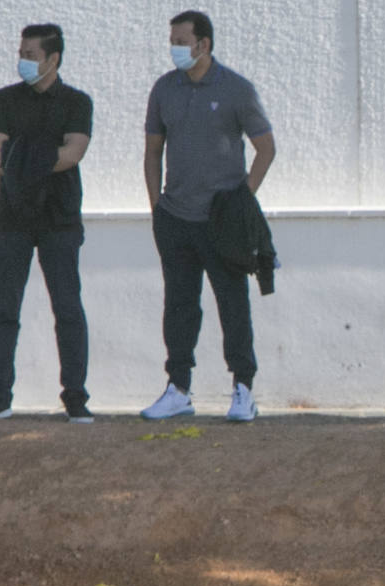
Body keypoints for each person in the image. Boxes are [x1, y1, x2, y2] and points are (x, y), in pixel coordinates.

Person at [141, 9, 276, 423]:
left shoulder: (236, 89)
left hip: (222, 224)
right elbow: (152, 151)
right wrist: (156, 206)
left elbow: (265, 148)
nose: (175, 49)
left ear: (204, 44)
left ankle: (243, 390)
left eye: (182, 41)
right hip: (175, 218)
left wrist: (240, 201)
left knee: (232, 304)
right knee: (179, 306)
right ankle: (178, 388)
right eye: (173, 41)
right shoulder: (164, 89)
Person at [0, 23, 93, 423]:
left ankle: (76, 399)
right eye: (21, 53)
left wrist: (20, 156)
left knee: (68, 309)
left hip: (60, 219)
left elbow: (73, 153)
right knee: (5, 308)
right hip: (11, 219)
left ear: (53, 59)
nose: (23, 60)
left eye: (31, 54)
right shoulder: (4, 99)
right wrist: (42, 156)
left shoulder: (77, 102)